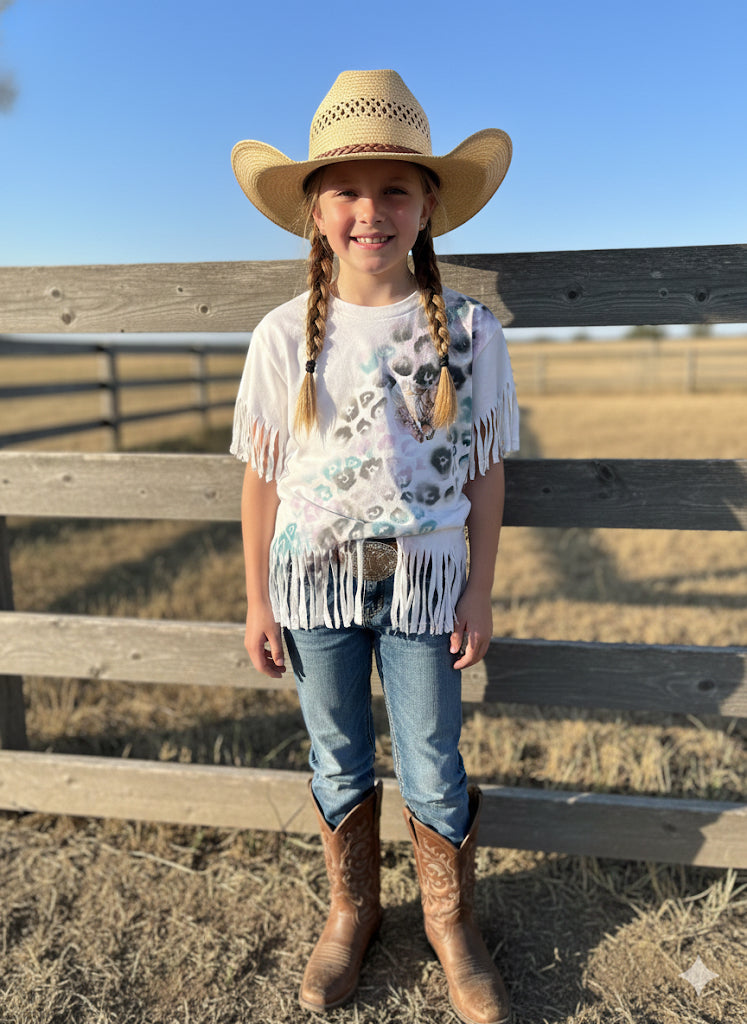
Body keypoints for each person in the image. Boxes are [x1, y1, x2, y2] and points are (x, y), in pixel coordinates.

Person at [230, 69, 519, 1024]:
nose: (371, 211)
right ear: (314, 212)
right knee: (336, 754)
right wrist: (256, 599)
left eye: (395, 189)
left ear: (429, 206)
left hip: (428, 587)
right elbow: (262, 477)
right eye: (347, 192)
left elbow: (483, 474)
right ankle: (351, 910)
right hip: (311, 586)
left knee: (432, 758)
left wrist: (479, 589)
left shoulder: (470, 335)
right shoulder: (282, 337)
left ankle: (449, 924)